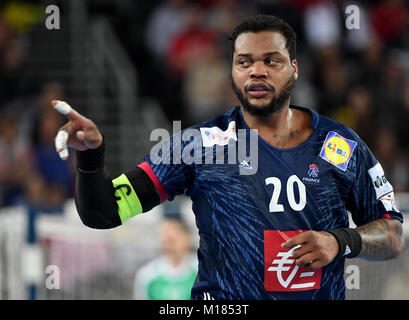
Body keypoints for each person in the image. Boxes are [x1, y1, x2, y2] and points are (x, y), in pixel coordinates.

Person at [52, 15, 404, 300]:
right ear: (233, 71)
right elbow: (102, 213)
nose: (257, 71)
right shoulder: (197, 146)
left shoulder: (341, 145)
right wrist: (91, 158)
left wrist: (341, 241)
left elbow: (392, 235)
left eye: (272, 60)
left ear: (294, 68)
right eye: (244, 61)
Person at [134, 217, 198, 300]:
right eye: (167, 241)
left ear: (187, 239)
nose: (170, 246)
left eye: (173, 240)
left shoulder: (203, 271)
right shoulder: (147, 274)